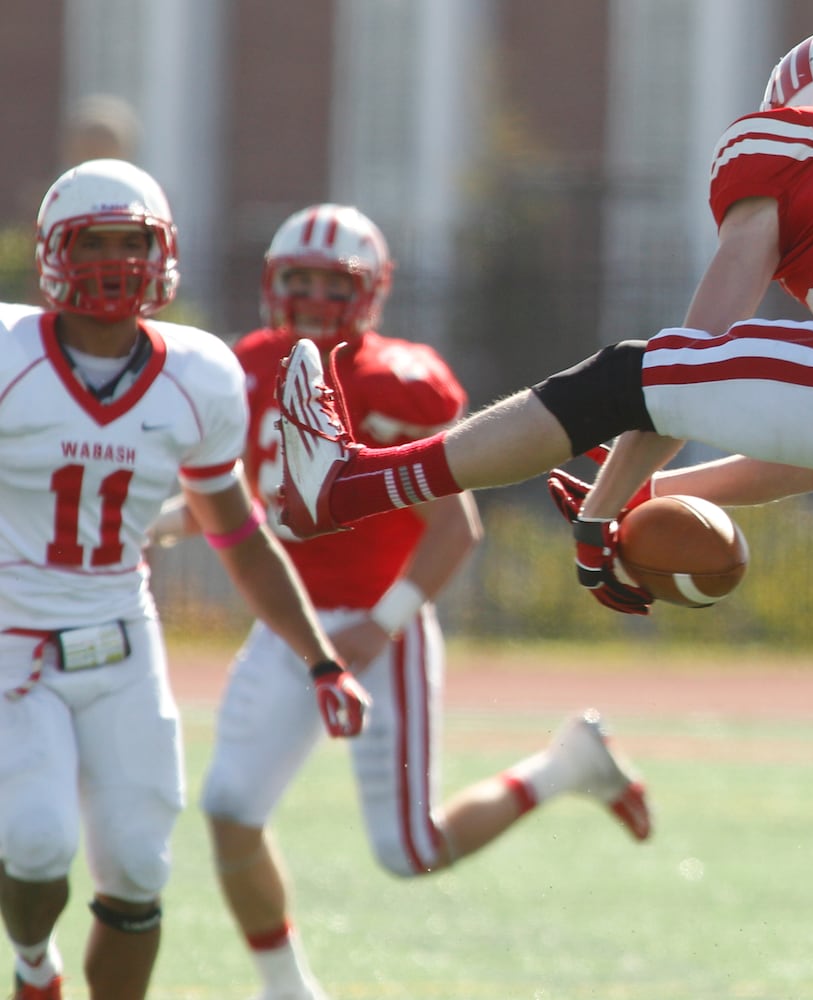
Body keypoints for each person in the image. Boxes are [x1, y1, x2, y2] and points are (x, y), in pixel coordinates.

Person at [273, 25, 813, 1000]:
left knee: (626, 372)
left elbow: (698, 342)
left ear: (799, 95)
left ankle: (348, 481)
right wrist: (660, 492)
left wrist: (606, 515)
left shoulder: (793, 138)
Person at [183, 204, 651, 1000]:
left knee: (409, 850)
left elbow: (455, 527)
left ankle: (565, 765)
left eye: (333, 284)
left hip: (380, 626)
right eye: (297, 280)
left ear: (369, 294)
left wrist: (382, 624)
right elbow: (242, 494)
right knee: (228, 807)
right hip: (289, 626)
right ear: (271, 284)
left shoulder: (394, 380)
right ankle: (286, 989)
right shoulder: (243, 368)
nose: (311, 300)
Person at [0, 162, 370, 1000]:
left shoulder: (198, 377)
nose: (114, 261)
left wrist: (320, 659)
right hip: (12, 641)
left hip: (121, 640)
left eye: (131, 241)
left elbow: (237, 534)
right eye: (94, 241)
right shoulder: (10, 357)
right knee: (35, 839)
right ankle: (33, 967)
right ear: (55, 254)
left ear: (162, 253)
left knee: (137, 865)